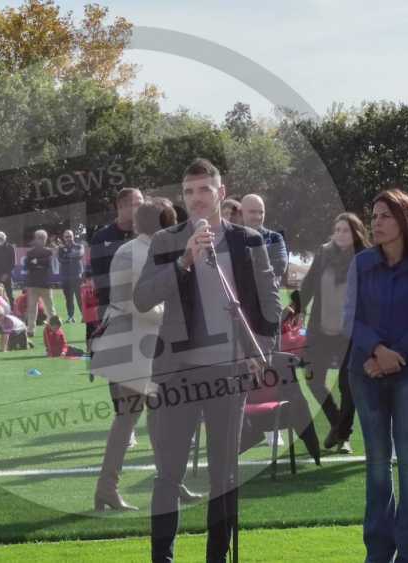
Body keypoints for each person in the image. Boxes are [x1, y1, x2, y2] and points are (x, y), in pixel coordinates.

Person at [134, 158, 280, 563]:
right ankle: (162, 557)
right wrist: (184, 261)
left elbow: (270, 305)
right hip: (176, 373)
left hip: (229, 373)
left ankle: (217, 557)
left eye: (204, 189)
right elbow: (143, 297)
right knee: (168, 474)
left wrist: (261, 353)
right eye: (188, 192)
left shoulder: (248, 241)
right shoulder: (166, 241)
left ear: (220, 191)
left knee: (224, 474)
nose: (196, 199)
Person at [343, 188, 408, 563]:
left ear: (405, 220)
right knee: (377, 464)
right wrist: (376, 352)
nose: (377, 223)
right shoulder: (360, 264)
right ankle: (378, 551)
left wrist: (395, 356)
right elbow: (349, 317)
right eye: (374, 216)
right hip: (365, 371)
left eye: (385, 215)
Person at [91, 197, 202, 512]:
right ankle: (107, 488)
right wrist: (170, 315)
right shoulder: (134, 252)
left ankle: (164, 482)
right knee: (128, 421)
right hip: (134, 346)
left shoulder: (139, 250)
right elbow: (130, 303)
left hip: (146, 346)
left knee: (153, 421)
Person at [299, 212, 371, 454]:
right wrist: (293, 306)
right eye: (338, 229)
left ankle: (343, 434)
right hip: (320, 330)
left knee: (347, 384)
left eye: (346, 230)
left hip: (350, 333)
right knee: (312, 380)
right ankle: (338, 424)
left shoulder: (365, 259)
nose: (340, 234)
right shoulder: (323, 253)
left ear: (357, 234)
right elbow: (308, 284)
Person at [90, 187, 144, 322]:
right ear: (121, 206)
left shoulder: (148, 235)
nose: (142, 209)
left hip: (144, 309)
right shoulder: (101, 237)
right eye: (137, 204)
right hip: (112, 310)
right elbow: (99, 278)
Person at [240, 194, 288, 282]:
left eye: (261, 212)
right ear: (241, 212)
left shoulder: (274, 238)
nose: (258, 216)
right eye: (252, 212)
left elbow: (280, 266)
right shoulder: (232, 236)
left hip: (266, 294)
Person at [24, 229, 55, 337]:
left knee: (50, 308)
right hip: (33, 284)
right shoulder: (30, 252)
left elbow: (49, 263)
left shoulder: (49, 251)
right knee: (32, 308)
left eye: (42, 238)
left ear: (45, 239)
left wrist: (36, 262)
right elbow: (28, 266)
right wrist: (41, 263)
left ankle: (55, 327)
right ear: (36, 239)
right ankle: (30, 330)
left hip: (45, 284)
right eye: (38, 238)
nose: (40, 240)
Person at [57, 229, 85, 322]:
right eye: (66, 236)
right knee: (68, 299)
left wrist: (67, 255)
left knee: (80, 298)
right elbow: (61, 260)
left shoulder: (79, 246)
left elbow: (79, 255)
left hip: (77, 276)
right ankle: (70, 317)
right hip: (65, 277)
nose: (68, 238)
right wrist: (72, 257)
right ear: (64, 238)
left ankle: (84, 316)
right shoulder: (61, 249)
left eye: (70, 236)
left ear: (73, 236)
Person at [0, 231, 17, 306]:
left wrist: (7, 274)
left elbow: (13, 263)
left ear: (2, 239)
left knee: (9, 295)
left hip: (7, 276)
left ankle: (12, 311)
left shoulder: (10, 248)